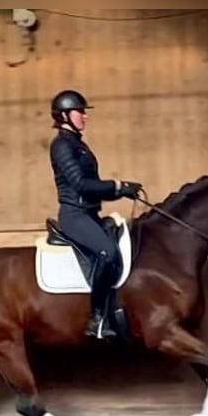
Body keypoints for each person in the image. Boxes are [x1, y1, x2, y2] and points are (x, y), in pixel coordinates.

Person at [48, 89, 143, 339]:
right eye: (80, 112)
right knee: (107, 252)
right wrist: (117, 186)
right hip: (74, 216)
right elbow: (80, 185)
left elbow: (93, 186)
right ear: (65, 115)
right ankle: (97, 319)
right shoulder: (61, 145)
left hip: (89, 213)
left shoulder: (78, 145)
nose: (84, 116)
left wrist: (122, 192)